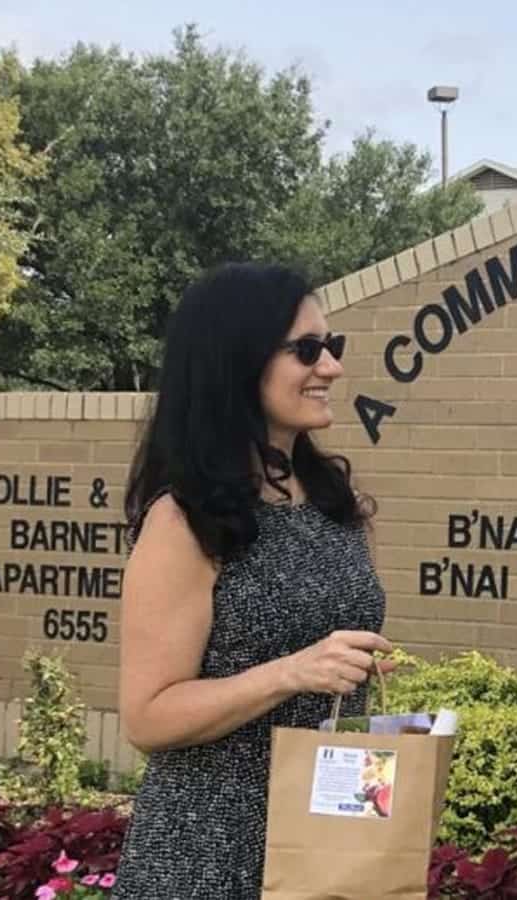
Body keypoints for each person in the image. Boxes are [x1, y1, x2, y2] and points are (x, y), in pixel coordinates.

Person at [111, 262, 393, 899]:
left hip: (327, 838)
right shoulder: (184, 519)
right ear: (236, 362)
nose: (332, 367)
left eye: (333, 346)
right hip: (213, 850)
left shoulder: (328, 499)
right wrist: (294, 671)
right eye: (306, 349)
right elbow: (147, 716)